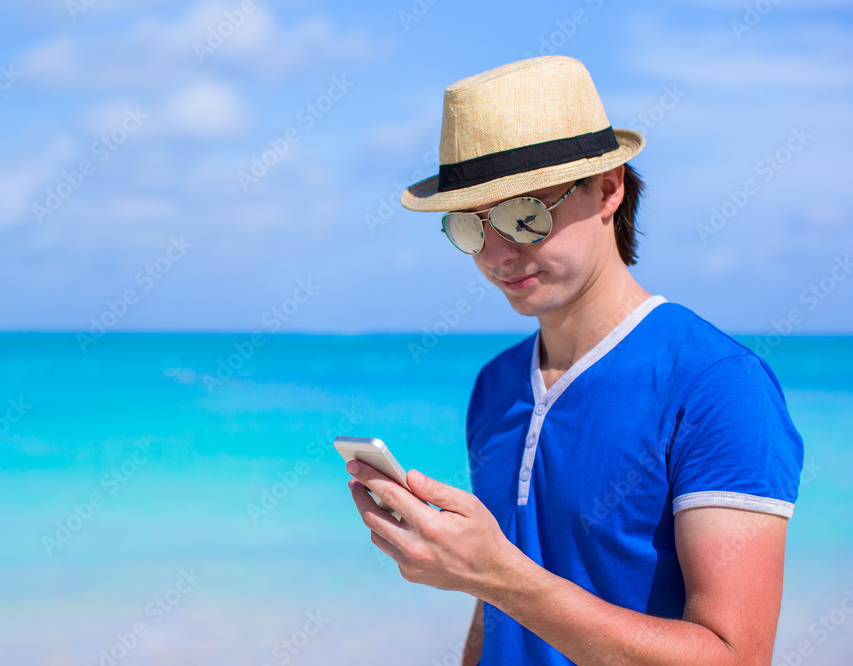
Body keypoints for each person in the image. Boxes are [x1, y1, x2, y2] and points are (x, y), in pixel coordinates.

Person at [344, 55, 804, 665]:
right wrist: (488, 578)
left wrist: (495, 573)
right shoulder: (497, 384)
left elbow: (735, 658)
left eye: (524, 215)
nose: (499, 255)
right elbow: (500, 607)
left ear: (609, 188)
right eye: (471, 227)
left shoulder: (718, 386)